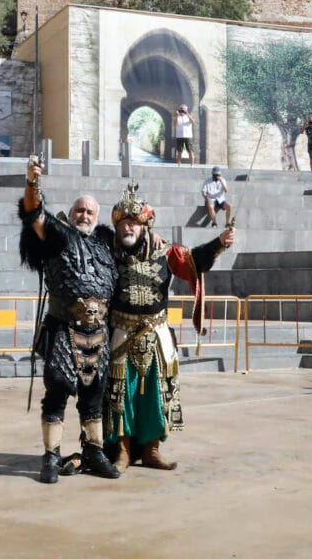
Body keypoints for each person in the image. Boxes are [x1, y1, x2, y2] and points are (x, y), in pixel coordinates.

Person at [104, 182, 235, 473]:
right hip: (121, 334)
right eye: (122, 223)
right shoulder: (108, 251)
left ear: (145, 226)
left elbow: (194, 261)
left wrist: (220, 242)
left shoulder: (166, 253)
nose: (127, 228)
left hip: (157, 335)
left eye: (133, 223)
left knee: (156, 393)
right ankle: (122, 452)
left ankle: (151, 451)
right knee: (120, 393)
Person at [17, 155, 121, 483]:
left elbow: (135, 244)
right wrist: (33, 182)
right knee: (58, 390)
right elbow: (34, 215)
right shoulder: (59, 236)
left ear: (98, 216)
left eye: (90, 211)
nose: (84, 215)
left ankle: (94, 451)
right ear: (72, 213)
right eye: (80, 210)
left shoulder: (107, 246)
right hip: (64, 327)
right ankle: (50, 456)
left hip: (99, 332)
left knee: (94, 394)